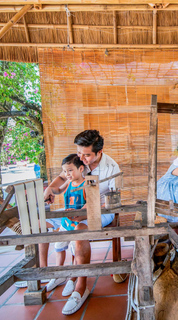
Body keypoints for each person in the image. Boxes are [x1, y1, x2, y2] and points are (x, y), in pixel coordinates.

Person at [42, 130, 120, 315]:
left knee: (79, 228)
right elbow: (63, 176)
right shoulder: (79, 159)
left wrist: (86, 213)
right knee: (42, 222)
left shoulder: (111, 168)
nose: (81, 158)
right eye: (79, 153)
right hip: (75, 209)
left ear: (99, 153)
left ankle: (80, 286)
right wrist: (51, 189)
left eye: (86, 155)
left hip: (102, 211)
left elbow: (112, 200)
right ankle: (50, 273)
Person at [43, 154, 87, 295]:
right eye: (65, 171)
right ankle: (59, 273)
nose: (67, 174)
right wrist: (50, 191)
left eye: (70, 170)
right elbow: (58, 190)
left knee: (75, 250)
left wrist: (79, 212)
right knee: (59, 247)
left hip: (77, 221)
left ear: (81, 169)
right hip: (66, 222)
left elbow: (89, 203)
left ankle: (72, 278)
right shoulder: (68, 183)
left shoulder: (86, 184)